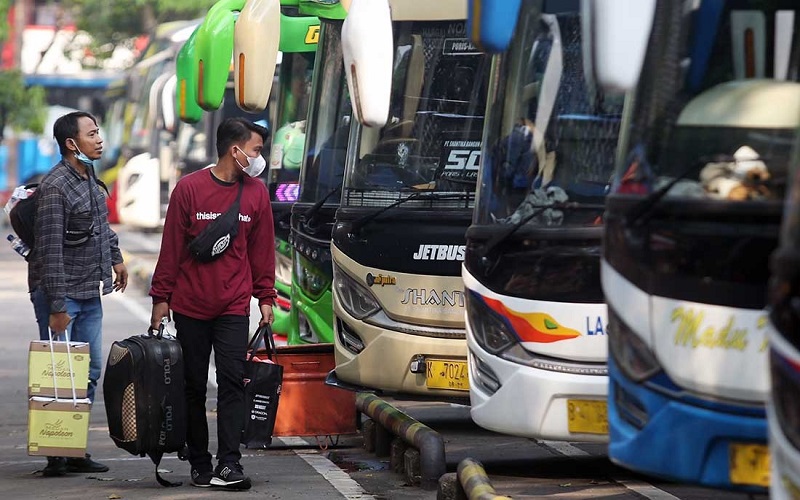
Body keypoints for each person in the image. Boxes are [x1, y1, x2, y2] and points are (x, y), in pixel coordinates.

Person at [149, 117, 276, 490]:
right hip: (190, 306)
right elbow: (171, 248)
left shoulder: (256, 194)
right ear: (235, 151)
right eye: (255, 150)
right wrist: (161, 298)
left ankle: (229, 464)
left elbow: (262, 251)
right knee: (191, 386)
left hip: (233, 306)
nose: (258, 157)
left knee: (234, 382)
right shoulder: (188, 190)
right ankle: (200, 462)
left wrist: (265, 296)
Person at [28, 111, 128, 477]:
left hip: (89, 293)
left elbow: (100, 226)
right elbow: (50, 250)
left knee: (88, 373)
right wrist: (56, 307)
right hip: (62, 294)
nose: (100, 138)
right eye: (92, 133)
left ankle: (73, 448)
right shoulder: (55, 187)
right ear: (72, 144)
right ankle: (56, 453)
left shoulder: (88, 177)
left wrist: (116, 259)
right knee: (58, 376)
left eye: (99, 131)